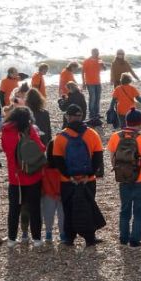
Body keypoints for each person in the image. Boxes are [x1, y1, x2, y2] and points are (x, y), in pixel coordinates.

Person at [51, 105, 105, 246]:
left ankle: (69, 238)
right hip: (88, 179)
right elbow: (98, 157)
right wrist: (89, 175)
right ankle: (90, 238)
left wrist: (69, 177)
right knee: (88, 207)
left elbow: (58, 161)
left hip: (67, 181)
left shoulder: (60, 137)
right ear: (81, 116)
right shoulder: (92, 134)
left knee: (68, 209)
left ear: (67, 117)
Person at [108, 108, 141, 247]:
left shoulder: (115, 136)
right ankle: (135, 240)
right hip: (140, 179)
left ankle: (123, 237)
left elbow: (112, 160)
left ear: (127, 120)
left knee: (125, 209)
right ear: (140, 123)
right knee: (139, 211)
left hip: (123, 178)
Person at [1, 106, 44, 246]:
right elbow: (40, 148)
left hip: (15, 177)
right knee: (34, 208)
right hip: (32, 176)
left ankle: (11, 239)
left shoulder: (5, 131)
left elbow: (5, 149)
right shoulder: (29, 129)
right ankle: (37, 239)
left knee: (14, 208)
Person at [82, 48, 104, 113]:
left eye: (98, 53)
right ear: (92, 53)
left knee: (98, 98)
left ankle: (97, 113)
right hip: (90, 82)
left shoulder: (99, 60)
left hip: (98, 82)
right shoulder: (87, 61)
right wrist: (83, 83)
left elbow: (104, 68)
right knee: (93, 98)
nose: (97, 54)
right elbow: (82, 72)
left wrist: (102, 65)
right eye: (96, 53)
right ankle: (91, 113)